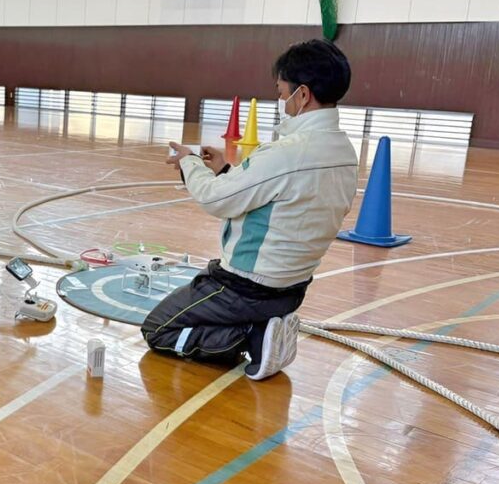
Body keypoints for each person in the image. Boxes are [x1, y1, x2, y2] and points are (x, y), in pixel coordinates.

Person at [142, 39, 359, 380]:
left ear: (301, 95)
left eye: (281, 91)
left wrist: (190, 164)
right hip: (293, 287)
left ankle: (251, 336)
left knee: (159, 329)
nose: (280, 100)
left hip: (245, 288)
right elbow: (284, 200)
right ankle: (263, 325)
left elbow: (216, 200)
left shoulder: (287, 152)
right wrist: (227, 171)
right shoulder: (345, 152)